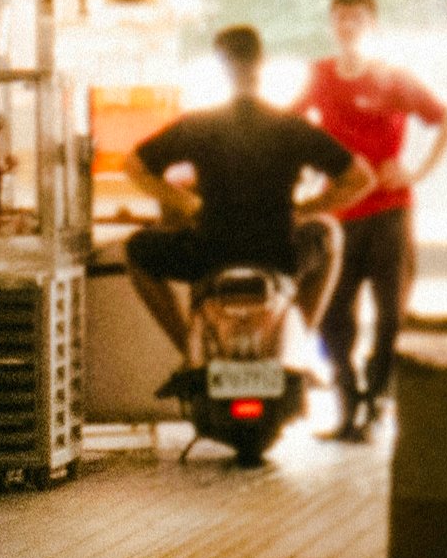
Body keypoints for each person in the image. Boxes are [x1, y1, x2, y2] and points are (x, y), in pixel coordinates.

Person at [124, 25, 383, 387]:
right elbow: (361, 179)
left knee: (136, 250)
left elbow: (133, 166)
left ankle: (189, 353)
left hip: (210, 252)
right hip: (278, 252)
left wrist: (185, 203)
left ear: (222, 66)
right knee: (331, 233)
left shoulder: (201, 124)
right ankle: (299, 343)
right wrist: (309, 209)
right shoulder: (291, 126)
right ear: (262, 63)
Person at [291, 0, 447, 442]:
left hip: (389, 213)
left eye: (357, 18)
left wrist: (416, 171)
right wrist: (303, 173)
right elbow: (293, 124)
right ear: (331, 23)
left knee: (391, 316)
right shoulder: (320, 74)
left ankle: (376, 401)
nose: (348, 26)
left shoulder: (394, 77)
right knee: (333, 312)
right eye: (341, 17)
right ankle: (347, 400)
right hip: (341, 214)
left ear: (371, 24)